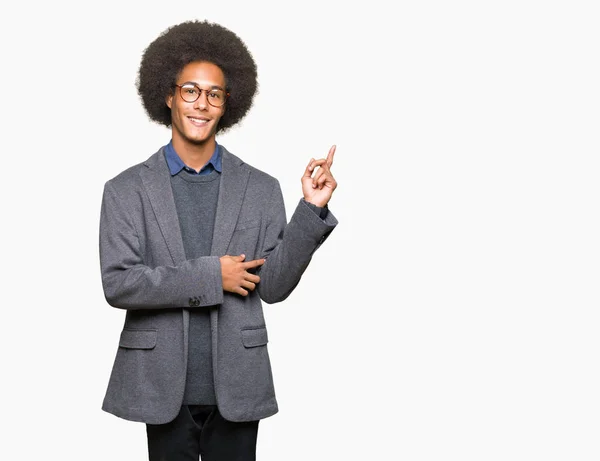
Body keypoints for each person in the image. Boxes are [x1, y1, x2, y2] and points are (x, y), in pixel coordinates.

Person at [99, 19, 338, 460]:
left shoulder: (261, 188)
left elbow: (274, 287)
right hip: (162, 385)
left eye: (214, 94)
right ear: (168, 95)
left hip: (238, 385)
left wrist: (312, 210)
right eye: (190, 90)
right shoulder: (126, 190)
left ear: (228, 104)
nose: (201, 104)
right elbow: (120, 284)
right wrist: (213, 275)